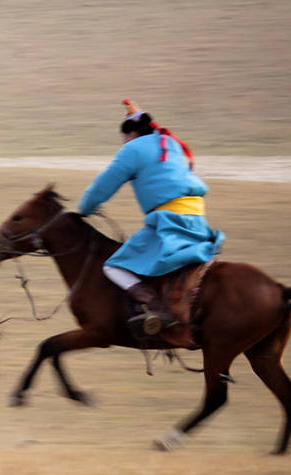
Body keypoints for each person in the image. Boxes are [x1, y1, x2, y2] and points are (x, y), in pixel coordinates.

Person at [75, 99, 224, 335]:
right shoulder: (169, 143)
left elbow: (103, 186)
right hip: (197, 218)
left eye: (124, 137)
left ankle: (158, 309)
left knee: (114, 267)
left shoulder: (132, 149)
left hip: (170, 221)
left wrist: (84, 209)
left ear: (131, 133)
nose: (123, 142)